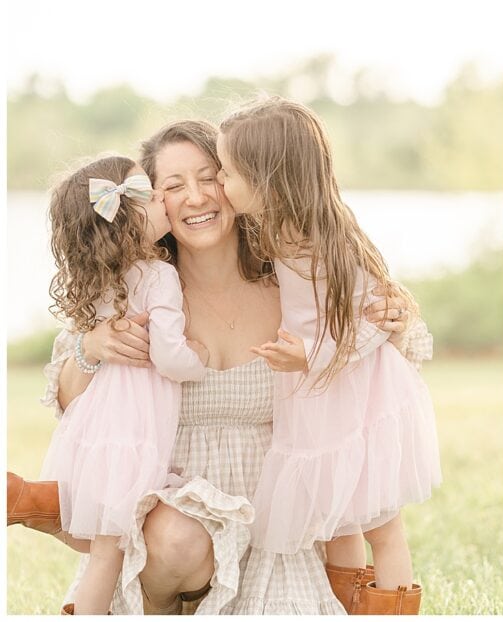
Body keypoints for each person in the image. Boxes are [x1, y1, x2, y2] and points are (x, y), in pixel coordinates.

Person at [7, 118, 423, 614]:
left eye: (210, 177)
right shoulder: (134, 289)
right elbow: (72, 403)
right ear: (149, 201)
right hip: (170, 530)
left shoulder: (293, 276)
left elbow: (390, 352)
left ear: (238, 181)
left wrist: (395, 320)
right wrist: (90, 348)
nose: (197, 197)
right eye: (173, 186)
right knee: (178, 536)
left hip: (277, 533)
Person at [216, 97, 441, 614]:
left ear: (267, 176)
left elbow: (371, 325)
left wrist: (310, 356)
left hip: (355, 391)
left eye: (228, 173)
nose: (223, 184)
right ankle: (342, 605)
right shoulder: (277, 232)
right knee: (335, 519)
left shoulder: (326, 238)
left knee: (380, 523)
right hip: (315, 395)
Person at [38, 156, 208, 614]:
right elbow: (170, 355)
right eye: (152, 196)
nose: (164, 202)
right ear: (129, 219)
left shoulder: (98, 278)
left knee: (103, 550)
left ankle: (34, 504)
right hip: (135, 433)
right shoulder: (160, 275)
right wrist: (200, 362)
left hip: (95, 429)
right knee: (109, 553)